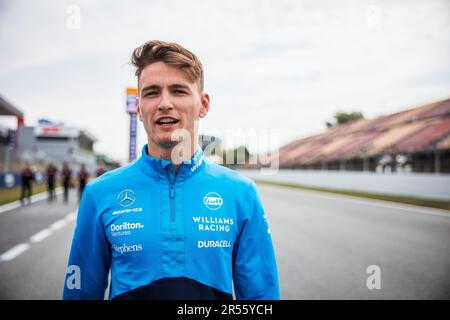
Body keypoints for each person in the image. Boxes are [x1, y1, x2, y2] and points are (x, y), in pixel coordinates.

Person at [63, 40, 279, 300]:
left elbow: (262, 297)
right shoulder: (100, 193)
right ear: (139, 107)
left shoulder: (241, 193)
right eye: (152, 92)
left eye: (178, 91)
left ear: (203, 104)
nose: (165, 103)